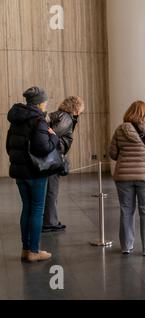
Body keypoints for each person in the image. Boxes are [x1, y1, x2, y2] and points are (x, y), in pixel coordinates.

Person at [6, 87, 59, 262]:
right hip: (35, 172)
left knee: (27, 208)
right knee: (37, 210)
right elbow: (43, 147)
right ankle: (34, 251)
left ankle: (25, 248)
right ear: (40, 102)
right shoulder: (39, 121)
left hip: (20, 172)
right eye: (45, 101)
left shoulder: (16, 120)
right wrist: (54, 137)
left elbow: (9, 146)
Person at [110, 101, 145, 257]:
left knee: (126, 210)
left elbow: (113, 153)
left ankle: (126, 246)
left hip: (123, 176)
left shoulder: (120, 130)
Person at [42, 96, 85, 233]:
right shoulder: (66, 118)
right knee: (52, 191)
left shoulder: (57, 114)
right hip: (53, 157)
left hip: (49, 157)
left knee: (49, 190)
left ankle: (49, 220)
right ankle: (50, 222)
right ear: (76, 108)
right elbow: (53, 135)